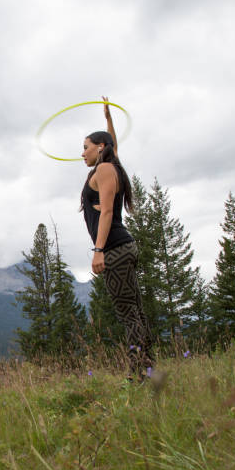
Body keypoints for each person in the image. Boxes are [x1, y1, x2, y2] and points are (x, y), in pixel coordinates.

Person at [80, 96, 154, 380]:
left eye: (85, 147)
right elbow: (112, 142)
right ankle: (149, 372)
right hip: (122, 249)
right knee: (136, 313)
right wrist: (108, 117)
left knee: (129, 316)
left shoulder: (105, 169)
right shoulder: (110, 164)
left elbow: (108, 210)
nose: (81, 153)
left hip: (115, 249)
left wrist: (98, 250)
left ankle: (138, 375)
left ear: (100, 148)